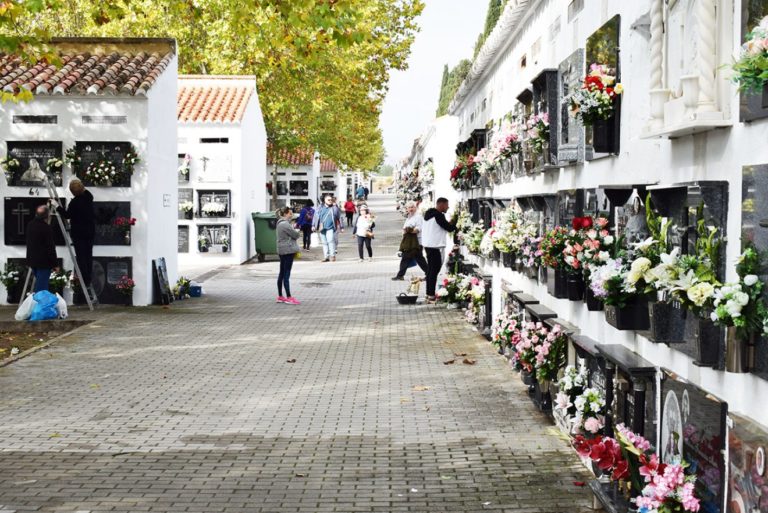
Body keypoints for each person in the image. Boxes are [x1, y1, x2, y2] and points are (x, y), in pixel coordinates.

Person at [56, 179, 95, 288]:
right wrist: (80, 186)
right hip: (90, 232)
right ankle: (89, 278)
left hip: (79, 234)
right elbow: (85, 190)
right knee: (88, 256)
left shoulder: (75, 203)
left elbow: (67, 215)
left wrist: (57, 207)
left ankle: (85, 280)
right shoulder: (89, 197)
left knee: (81, 257)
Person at [422, 197, 457, 303]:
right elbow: (448, 228)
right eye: (447, 205)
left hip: (428, 246)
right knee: (434, 272)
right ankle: (431, 295)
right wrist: (455, 222)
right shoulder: (438, 215)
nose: (448, 207)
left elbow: (440, 226)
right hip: (435, 247)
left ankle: (428, 294)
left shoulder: (428, 214)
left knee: (430, 271)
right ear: (441, 205)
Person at [392, 200, 428, 280]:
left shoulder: (418, 217)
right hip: (410, 242)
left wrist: (409, 230)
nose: (411, 209)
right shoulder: (409, 217)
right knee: (419, 259)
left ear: (415, 208)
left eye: (412, 207)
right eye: (409, 207)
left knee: (406, 258)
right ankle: (429, 274)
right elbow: (405, 228)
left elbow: (418, 229)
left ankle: (400, 275)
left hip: (416, 242)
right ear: (407, 209)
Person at [26, 205, 58, 293]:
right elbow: (50, 247)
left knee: (40, 285)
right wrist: (55, 264)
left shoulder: (30, 224)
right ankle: (40, 302)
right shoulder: (46, 228)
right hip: (44, 262)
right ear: (47, 215)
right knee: (42, 289)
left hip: (33, 260)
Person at [276, 206, 301, 305]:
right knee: (286, 274)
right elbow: (296, 235)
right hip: (288, 250)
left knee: (282, 273)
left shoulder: (280, 223)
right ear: (285, 214)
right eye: (290, 213)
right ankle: (289, 297)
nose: (291, 215)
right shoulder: (285, 224)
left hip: (282, 250)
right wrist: (296, 231)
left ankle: (280, 296)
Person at [312, 195, 341, 262]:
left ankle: (332, 256)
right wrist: (313, 225)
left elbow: (339, 217)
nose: (330, 201)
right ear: (325, 200)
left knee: (330, 240)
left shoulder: (334, 208)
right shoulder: (320, 208)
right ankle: (326, 257)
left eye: (331, 200)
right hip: (322, 228)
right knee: (324, 243)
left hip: (330, 227)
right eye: (328, 200)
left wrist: (341, 227)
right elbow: (315, 217)